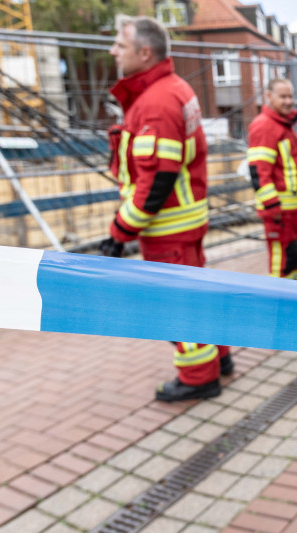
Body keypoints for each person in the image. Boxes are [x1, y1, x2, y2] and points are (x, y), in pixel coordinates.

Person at [102, 14, 232, 402]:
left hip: (167, 227)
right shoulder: (172, 88)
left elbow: (155, 181)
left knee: (178, 303)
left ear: (144, 52)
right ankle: (217, 358)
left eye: (120, 45)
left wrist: (118, 232)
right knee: (197, 292)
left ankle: (197, 377)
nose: (113, 52)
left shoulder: (156, 101)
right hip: (185, 221)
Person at [247, 78, 297, 281]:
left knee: (295, 258)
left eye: (291, 96)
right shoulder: (265, 126)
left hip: (292, 212)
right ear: (268, 97)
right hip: (280, 214)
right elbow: (259, 172)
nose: (288, 101)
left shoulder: (283, 124)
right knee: (282, 263)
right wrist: (273, 209)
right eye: (283, 96)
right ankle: (279, 308)